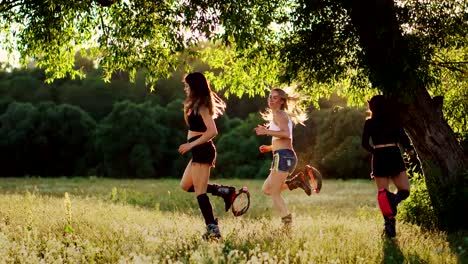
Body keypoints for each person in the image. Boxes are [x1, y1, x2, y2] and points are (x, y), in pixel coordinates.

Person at [178, 72, 236, 240]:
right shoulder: (194, 105)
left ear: (195, 87)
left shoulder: (203, 106)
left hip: (203, 150)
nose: (186, 88)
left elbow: (212, 131)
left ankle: (213, 230)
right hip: (199, 150)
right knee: (186, 185)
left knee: (200, 192)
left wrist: (190, 145)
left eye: (189, 86)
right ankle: (223, 191)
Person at [254, 87, 310, 228]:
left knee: (274, 191)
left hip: (284, 157)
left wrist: (266, 131)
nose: (271, 100)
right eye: (270, 97)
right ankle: (296, 182)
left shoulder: (280, 115)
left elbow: (286, 134)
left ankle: (287, 224)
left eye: (275, 97)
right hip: (282, 155)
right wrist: (270, 147)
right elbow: (282, 140)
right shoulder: (277, 115)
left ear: (281, 101)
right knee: (267, 189)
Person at [361, 95, 415, 238]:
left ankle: (389, 227)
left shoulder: (369, 123)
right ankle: (394, 201)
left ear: (372, 107)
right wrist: (409, 149)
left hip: (379, 156)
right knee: (405, 190)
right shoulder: (394, 120)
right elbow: (403, 136)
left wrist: (376, 152)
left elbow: (364, 144)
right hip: (394, 154)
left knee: (383, 194)